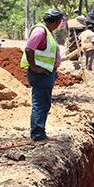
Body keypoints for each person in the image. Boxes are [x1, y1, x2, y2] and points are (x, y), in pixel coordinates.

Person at [20, 8, 65, 141]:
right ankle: (38, 134)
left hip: (46, 73)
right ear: (57, 22)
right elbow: (29, 49)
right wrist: (35, 68)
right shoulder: (41, 31)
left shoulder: (47, 32)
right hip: (41, 74)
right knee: (40, 103)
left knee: (44, 103)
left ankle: (39, 132)